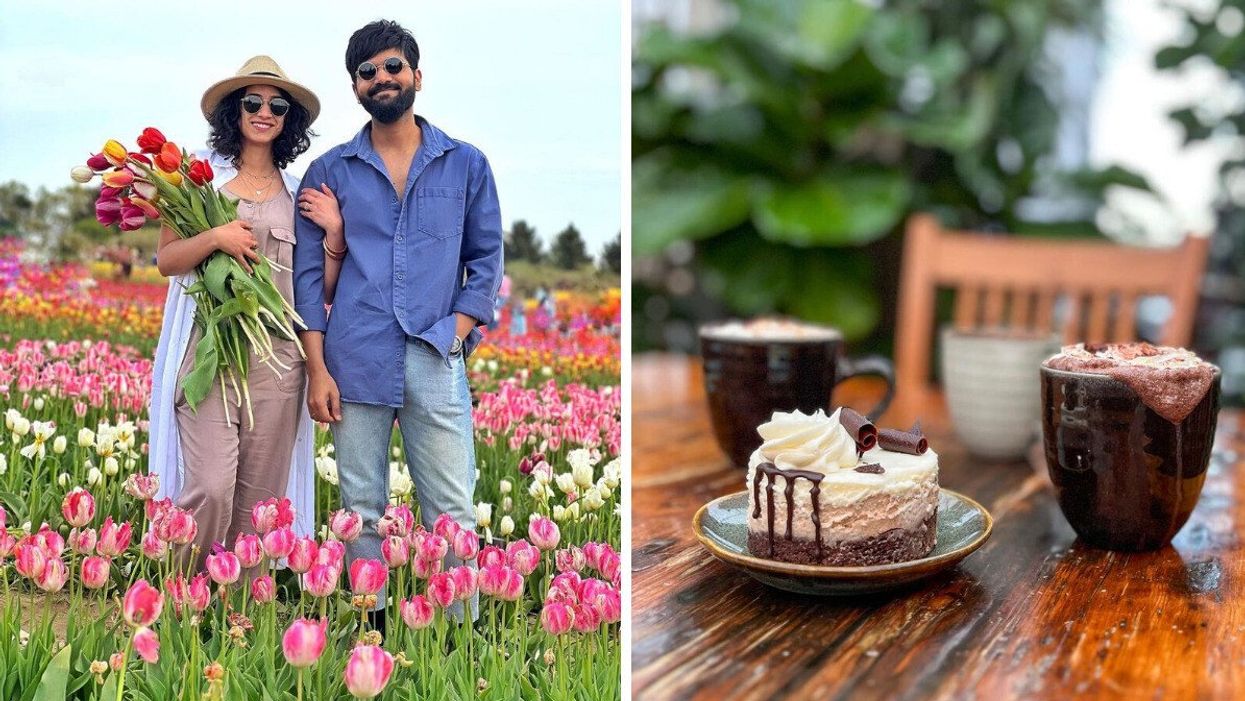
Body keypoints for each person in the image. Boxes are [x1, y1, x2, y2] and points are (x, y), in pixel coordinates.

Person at [293, 20, 503, 627]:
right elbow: (309, 281)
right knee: (360, 505)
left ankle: (461, 636)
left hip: (436, 353)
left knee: (452, 506)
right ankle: (370, 629)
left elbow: (485, 259)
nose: (382, 79)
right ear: (355, 88)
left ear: (416, 73)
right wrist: (316, 369)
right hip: (353, 354)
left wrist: (456, 332)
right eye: (368, 73)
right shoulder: (329, 172)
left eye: (392, 67)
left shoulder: (465, 164)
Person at [149, 56, 339, 572]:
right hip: (210, 359)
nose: (264, 112)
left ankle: (237, 618)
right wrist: (215, 237)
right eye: (252, 102)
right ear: (235, 111)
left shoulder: (300, 193)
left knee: (259, 508)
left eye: (277, 105)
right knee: (209, 487)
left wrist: (336, 236)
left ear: (289, 120)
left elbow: (317, 286)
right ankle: (183, 596)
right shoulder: (200, 184)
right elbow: (167, 260)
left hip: (278, 366)